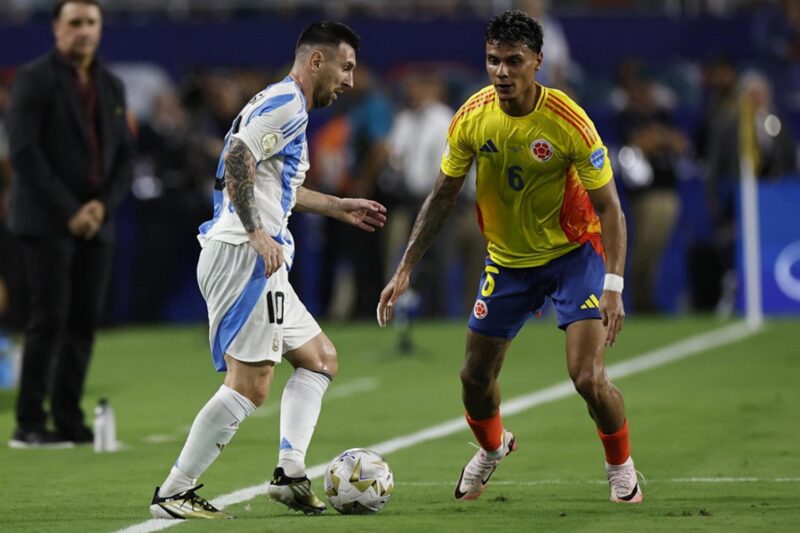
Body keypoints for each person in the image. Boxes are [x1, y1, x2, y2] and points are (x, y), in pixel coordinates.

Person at [378, 10, 642, 503]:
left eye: (513, 61)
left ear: (538, 62)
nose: (501, 72)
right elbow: (441, 196)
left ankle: (620, 466)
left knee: (587, 377)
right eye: (493, 61)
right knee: (474, 378)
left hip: (573, 256)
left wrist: (613, 285)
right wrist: (406, 267)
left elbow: (610, 208)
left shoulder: (569, 122)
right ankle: (494, 447)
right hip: (507, 261)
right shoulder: (473, 117)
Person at [149, 21, 387, 519]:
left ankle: (289, 471)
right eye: (345, 67)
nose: (349, 80)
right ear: (315, 61)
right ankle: (174, 490)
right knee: (251, 383)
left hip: (258, 256)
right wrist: (257, 232)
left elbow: (276, 185)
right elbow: (237, 157)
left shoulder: (284, 104)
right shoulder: (287, 104)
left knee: (320, 359)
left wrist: (337, 205)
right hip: (244, 253)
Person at [5, 0, 134, 448]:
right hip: (45, 221)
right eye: (74, 22)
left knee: (83, 322)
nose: (84, 30)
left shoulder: (111, 84)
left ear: (100, 28)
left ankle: (67, 416)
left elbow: (124, 159)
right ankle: (29, 422)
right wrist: (70, 210)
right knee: (48, 318)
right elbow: (24, 153)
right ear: (57, 29)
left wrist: (101, 206)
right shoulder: (34, 79)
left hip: (98, 223)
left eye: (91, 22)